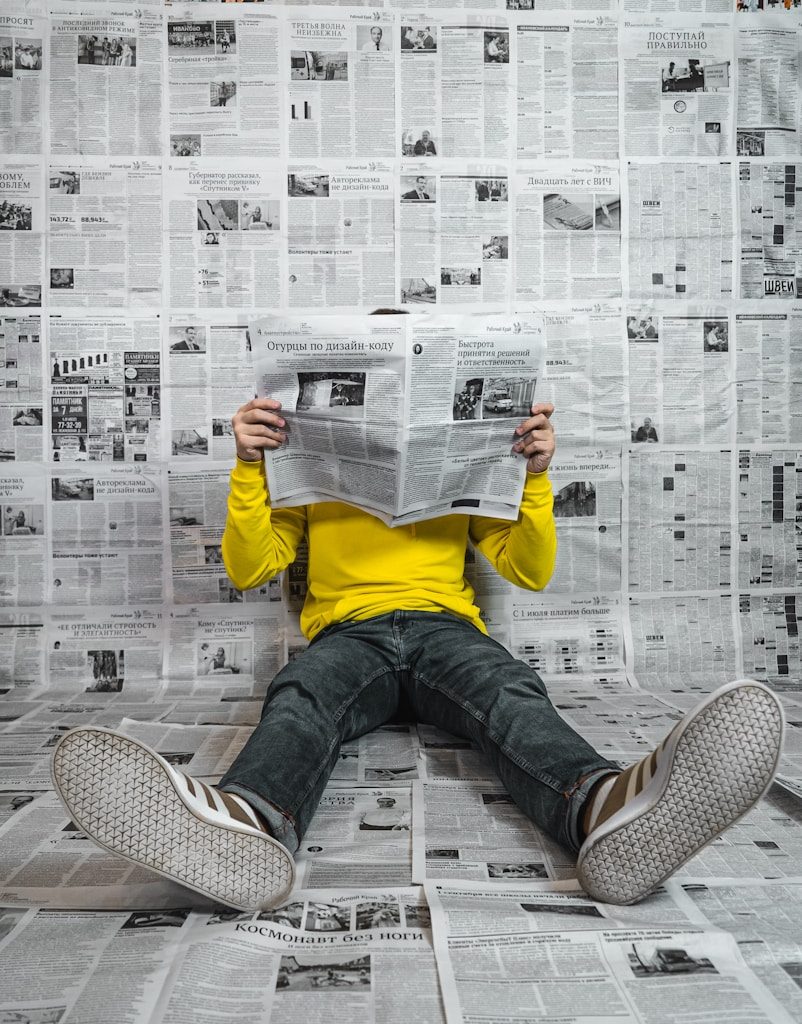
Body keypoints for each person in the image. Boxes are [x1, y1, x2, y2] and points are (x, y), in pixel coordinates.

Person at [51, 313, 785, 913]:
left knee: (508, 690)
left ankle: (601, 810)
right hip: (349, 633)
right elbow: (251, 566)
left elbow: (529, 570)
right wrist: (249, 468)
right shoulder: (309, 468)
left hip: (445, 630)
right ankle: (246, 824)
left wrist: (533, 477)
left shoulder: (471, 457)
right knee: (302, 697)